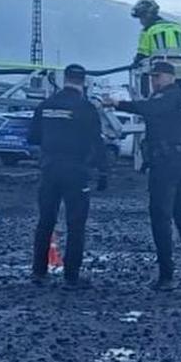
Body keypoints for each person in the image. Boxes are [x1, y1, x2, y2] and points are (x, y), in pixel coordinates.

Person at [102, 61, 181, 291]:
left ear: (170, 77)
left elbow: (148, 109)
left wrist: (116, 103)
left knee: (161, 218)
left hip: (166, 163)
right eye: (152, 77)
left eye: (157, 77)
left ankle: (167, 276)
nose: (153, 81)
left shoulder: (168, 97)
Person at [28, 64, 108, 289]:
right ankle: (71, 277)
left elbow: (33, 137)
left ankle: (38, 272)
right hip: (75, 170)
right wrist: (103, 171)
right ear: (83, 82)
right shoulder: (86, 108)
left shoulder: (46, 105)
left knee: (46, 220)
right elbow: (97, 141)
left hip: (49, 168)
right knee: (76, 224)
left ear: (65, 80)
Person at [131, 0, 181, 65]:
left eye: (141, 18)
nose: (141, 22)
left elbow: (143, 53)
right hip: (180, 69)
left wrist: (135, 63)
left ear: (148, 15)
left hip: (158, 71)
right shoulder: (177, 27)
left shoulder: (148, 31)